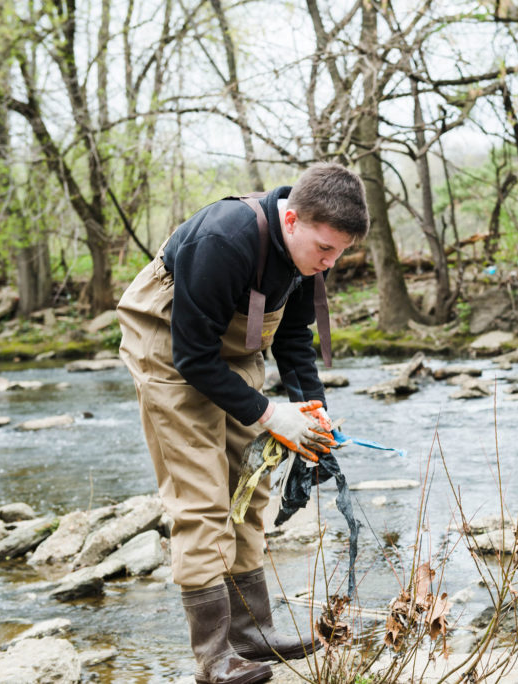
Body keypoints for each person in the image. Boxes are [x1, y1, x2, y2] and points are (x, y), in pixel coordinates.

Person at [117, 163, 369, 684]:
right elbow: (192, 357)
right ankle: (214, 659)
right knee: (204, 499)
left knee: (249, 487)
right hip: (170, 351)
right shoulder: (224, 240)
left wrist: (310, 411)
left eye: (340, 253)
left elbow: (294, 340)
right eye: (325, 250)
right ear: (292, 219)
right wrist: (273, 414)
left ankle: (252, 633)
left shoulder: (306, 256)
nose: (330, 263)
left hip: (231, 354)